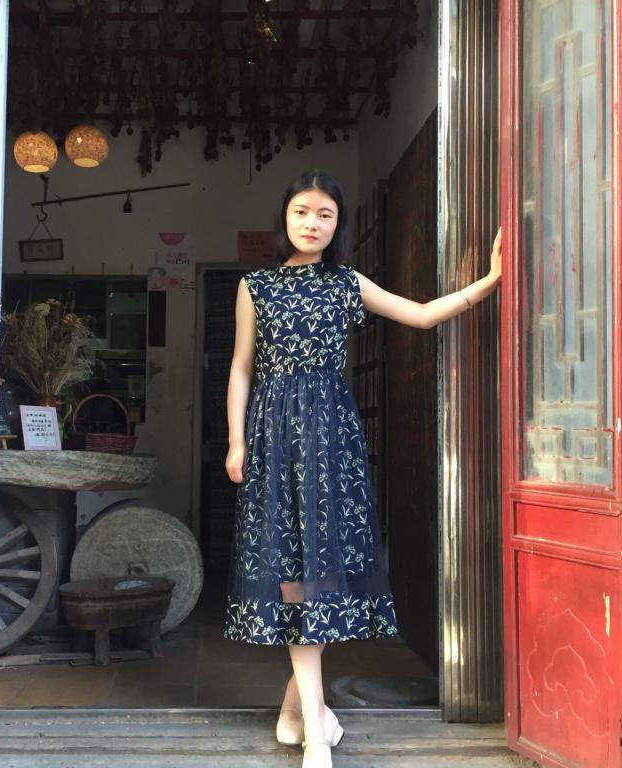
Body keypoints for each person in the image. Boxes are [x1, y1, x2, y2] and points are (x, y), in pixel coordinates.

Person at [223, 170, 502, 768]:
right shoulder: (255, 286)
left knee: (321, 570)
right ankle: (314, 728)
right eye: (302, 211)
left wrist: (488, 282)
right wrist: (236, 440)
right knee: (292, 569)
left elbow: (421, 315)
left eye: (325, 214)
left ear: (337, 225)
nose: (312, 223)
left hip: (331, 437)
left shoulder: (346, 282)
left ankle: (302, 713)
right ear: (285, 218)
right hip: (273, 434)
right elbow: (242, 365)